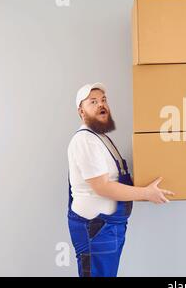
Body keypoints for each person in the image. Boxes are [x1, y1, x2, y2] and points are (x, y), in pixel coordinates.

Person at [67, 82, 174, 277]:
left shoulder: (100, 138)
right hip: (96, 229)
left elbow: (116, 178)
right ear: (81, 111)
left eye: (104, 100)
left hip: (107, 228)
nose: (102, 105)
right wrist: (146, 193)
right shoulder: (86, 140)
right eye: (93, 102)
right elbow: (102, 187)